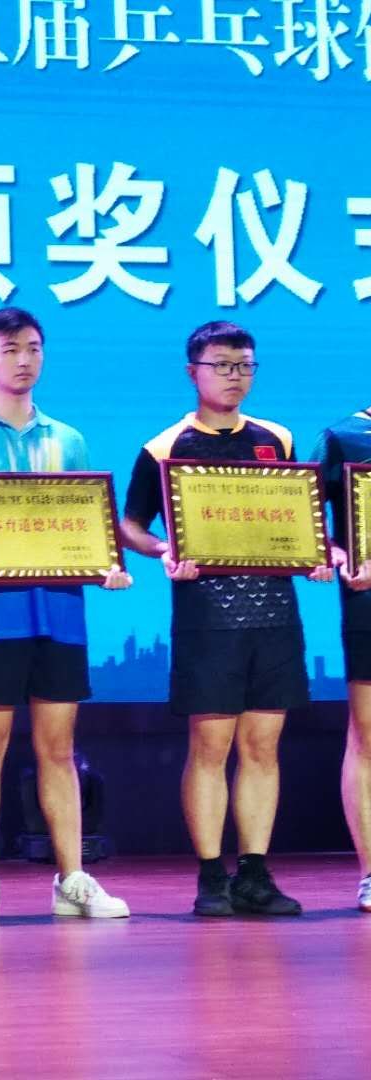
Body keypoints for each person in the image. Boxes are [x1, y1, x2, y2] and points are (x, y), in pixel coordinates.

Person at [0, 306, 131, 922]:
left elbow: (88, 524)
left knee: (59, 749)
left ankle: (72, 879)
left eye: (34, 348)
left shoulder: (69, 440)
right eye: (11, 349)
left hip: (60, 614)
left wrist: (105, 564)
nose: (24, 359)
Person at [120, 320, 332, 916]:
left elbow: (297, 517)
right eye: (222, 365)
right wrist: (164, 550)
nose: (234, 376)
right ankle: (211, 876)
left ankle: (255, 874)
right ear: (194, 372)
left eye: (244, 365)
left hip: (275, 613)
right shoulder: (165, 447)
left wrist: (317, 553)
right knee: (211, 746)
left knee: (263, 746)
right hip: (207, 616)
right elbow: (131, 524)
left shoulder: (277, 438)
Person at [312, 410, 371, 913]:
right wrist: (335, 553)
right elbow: (303, 514)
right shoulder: (343, 437)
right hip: (367, 602)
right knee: (368, 736)